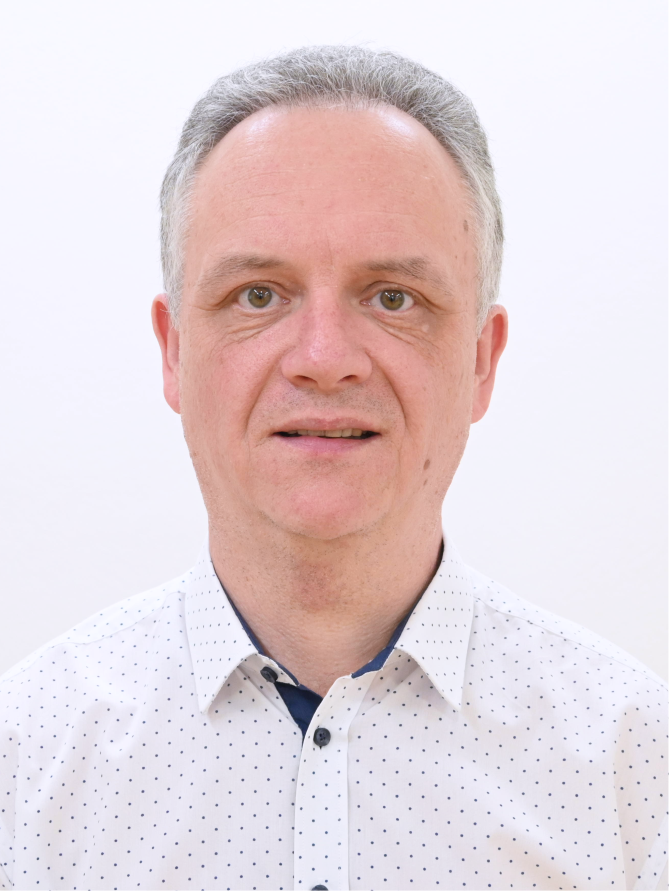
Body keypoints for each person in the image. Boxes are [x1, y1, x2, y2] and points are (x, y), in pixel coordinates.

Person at [0, 45, 665, 891]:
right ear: (174, 352)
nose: (322, 359)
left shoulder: (635, 767)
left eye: (392, 297)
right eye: (257, 294)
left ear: (480, 361)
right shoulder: (24, 761)